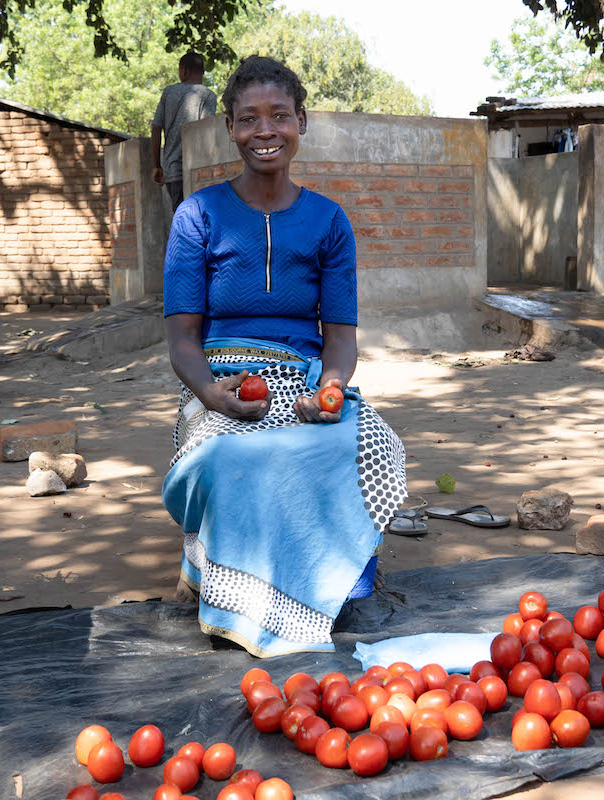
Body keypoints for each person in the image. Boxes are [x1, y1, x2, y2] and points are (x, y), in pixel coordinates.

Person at [160, 55, 407, 658]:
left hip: (301, 379)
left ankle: (335, 584)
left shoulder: (328, 222)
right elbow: (181, 341)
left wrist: (329, 390)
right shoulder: (197, 216)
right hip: (223, 376)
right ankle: (230, 588)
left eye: (278, 116)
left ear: (301, 122)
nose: (264, 131)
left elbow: (340, 339)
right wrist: (212, 394)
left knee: (371, 443)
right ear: (230, 128)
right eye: (249, 119)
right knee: (231, 455)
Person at [152, 51, 218, 211]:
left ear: (183, 70)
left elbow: (156, 128)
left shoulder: (169, 93)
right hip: (199, 171)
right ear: (202, 72)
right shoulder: (209, 96)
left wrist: (156, 166)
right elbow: (205, 132)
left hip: (172, 170)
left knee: (182, 219)